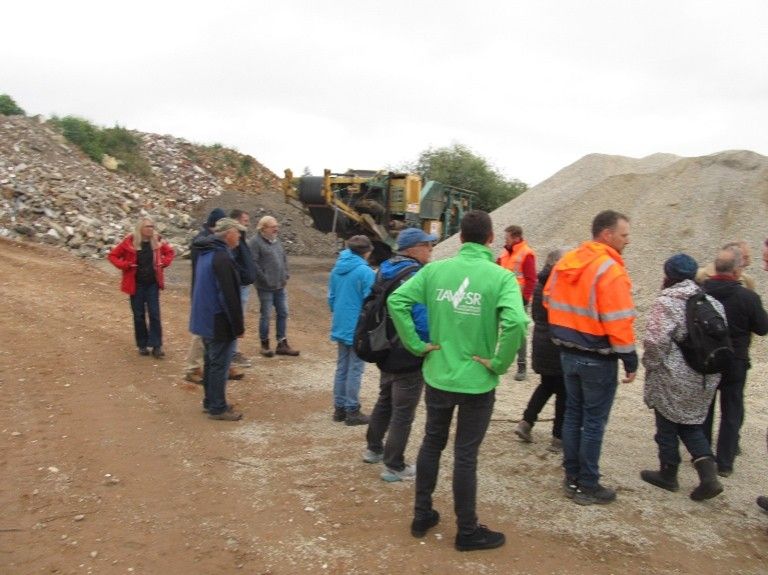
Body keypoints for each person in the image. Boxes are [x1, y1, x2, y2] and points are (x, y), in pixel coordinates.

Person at [389, 210, 527, 552]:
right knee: (465, 455)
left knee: (432, 443)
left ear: (461, 238)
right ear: (491, 238)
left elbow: (397, 301)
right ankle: (467, 531)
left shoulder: (435, 271)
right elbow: (517, 324)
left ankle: (422, 514)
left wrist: (416, 344)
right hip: (477, 382)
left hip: (438, 375)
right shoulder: (501, 278)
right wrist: (499, 362)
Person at [543, 209, 637, 506]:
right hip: (597, 357)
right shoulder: (609, 269)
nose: (628, 241)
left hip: (568, 353)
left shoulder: (566, 262)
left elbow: (548, 300)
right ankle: (587, 484)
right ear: (607, 235)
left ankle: (571, 477)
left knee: (573, 415)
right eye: (624, 235)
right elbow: (618, 319)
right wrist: (630, 358)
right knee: (594, 422)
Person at [640, 253, 724, 501]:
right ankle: (709, 475)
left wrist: (651, 365)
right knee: (691, 424)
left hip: (673, 374)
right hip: (704, 375)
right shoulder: (712, 302)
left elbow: (655, 341)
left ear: (668, 276)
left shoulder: (667, 302)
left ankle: (668, 473)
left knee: (666, 422)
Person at [363, 227, 437, 482]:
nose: (430, 250)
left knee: (385, 398)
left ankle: (373, 448)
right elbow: (421, 317)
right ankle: (394, 465)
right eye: (426, 245)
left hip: (384, 345)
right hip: (407, 348)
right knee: (403, 410)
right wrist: (426, 344)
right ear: (412, 248)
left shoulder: (385, 268)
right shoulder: (417, 275)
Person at [702, 246, 768, 476]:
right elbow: (762, 328)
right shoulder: (748, 297)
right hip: (736, 360)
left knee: (705, 409)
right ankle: (725, 463)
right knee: (731, 412)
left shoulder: (701, 293)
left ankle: (703, 455)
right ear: (737, 270)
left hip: (707, 358)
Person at [190, 218, 247, 421]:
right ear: (229, 233)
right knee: (219, 365)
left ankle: (210, 401)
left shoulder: (207, 252)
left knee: (210, 362)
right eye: (237, 232)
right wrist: (238, 326)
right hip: (218, 320)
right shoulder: (222, 258)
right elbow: (229, 296)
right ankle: (217, 407)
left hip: (205, 317)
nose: (240, 236)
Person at [514, 248, 566, 452]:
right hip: (556, 343)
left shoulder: (540, 282)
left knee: (546, 385)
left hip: (542, 341)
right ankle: (558, 438)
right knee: (563, 392)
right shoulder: (556, 283)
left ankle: (526, 422)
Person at [108, 216, 175, 358]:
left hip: (152, 284)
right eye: (148, 227)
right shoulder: (129, 242)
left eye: (152, 226)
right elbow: (113, 256)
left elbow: (169, 252)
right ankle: (142, 344)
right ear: (141, 229)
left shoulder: (157, 241)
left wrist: (163, 263)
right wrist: (125, 265)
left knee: (155, 314)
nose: (151, 229)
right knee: (138, 315)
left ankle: (157, 345)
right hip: (136, 284)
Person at [328, 235, 376, 426]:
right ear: (367, 251)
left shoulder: (337, 268)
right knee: (355, 368)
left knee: (342, 366)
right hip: (358, 326)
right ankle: (352, 410)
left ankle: (339, 409)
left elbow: (331, 298)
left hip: (340, 323)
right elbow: (370, 303)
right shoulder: (365, 272)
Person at [248, 215, 299, 357]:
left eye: (277, 226)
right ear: (263, 228)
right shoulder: (255, 242)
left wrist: (286, 274)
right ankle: (264, 345)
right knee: (266, 315)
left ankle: (282, 344)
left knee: (283, 312)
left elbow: (283, 257)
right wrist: (264, 279)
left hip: (280, 285)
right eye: (273, 227)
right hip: (265, 287)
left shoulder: (276, 241)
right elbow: (253, 263)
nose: (276, 229)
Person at [497, 225, 536, 381]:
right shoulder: (504, 252)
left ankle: (522, 366)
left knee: (519, 332)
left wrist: (525, 299)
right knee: (501, 330)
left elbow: (531, 279)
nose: (505, 240)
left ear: (516, 237)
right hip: (502, 296)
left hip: (518, 299)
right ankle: (501, 361)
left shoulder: (527, 253)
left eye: (507, 237)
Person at [229, 209, 256, 368]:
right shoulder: (233, 241)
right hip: (239, 286)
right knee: (236, 319)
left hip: (244, 285)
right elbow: (232, 263)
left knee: (239, 319)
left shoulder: (242, 238)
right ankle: (232, 353)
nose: (248, 224)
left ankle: (233, 351)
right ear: (237, 221)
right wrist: (243, 274)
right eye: (245, 221)